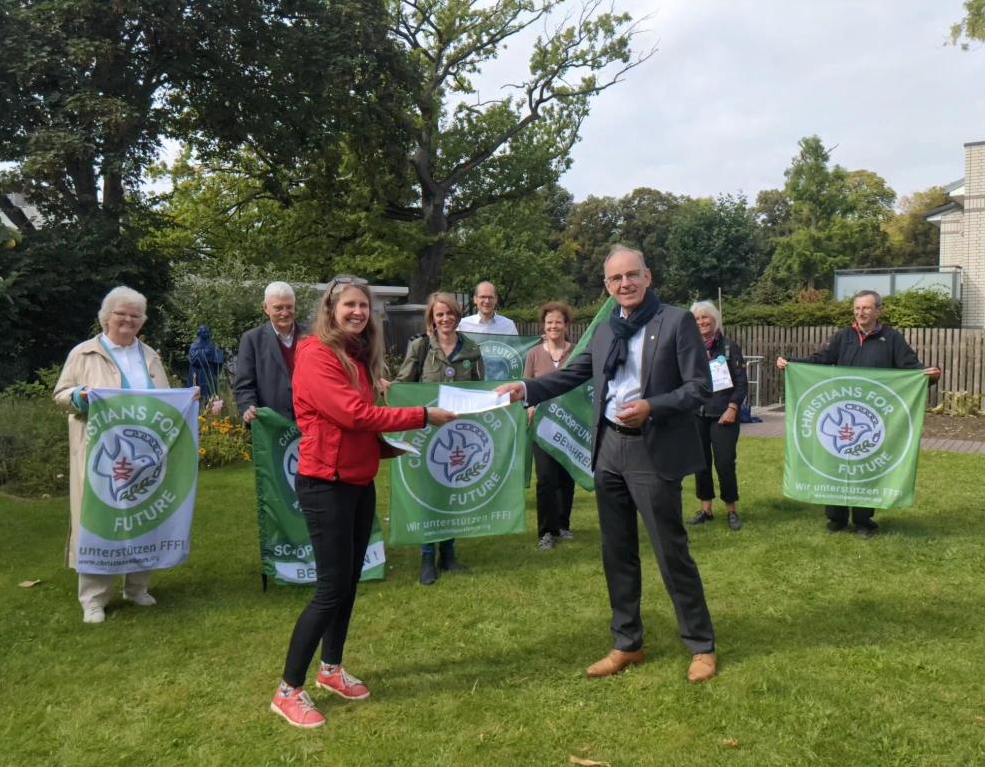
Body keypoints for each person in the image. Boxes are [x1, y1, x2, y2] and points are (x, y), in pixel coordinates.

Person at [497, 244, 719, 684]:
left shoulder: (675, 322)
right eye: (616, 278)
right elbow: (573, 373)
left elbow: (699, 387)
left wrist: (652, 406)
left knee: (670, 551)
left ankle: (701, 644)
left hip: (652, 450)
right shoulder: (604, 331)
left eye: (632, 274)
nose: (625, 283)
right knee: (616, 553)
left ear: (648, 276)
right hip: (610, 449)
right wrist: (527, 387)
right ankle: (627, 642)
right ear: (607, 285)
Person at [271, 276, 456, 729]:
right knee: (331, 588)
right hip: (325, 484)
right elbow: (352, 415)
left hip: (357, 480)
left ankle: (330, 668)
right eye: (350, 305)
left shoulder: (355, 356)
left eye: (364, 306)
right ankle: (288, 690)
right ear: (331, 310)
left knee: (349, 582)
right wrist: (422, 416)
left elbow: (356, 425)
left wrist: (387, 447)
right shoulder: (316, 354)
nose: (358, 312)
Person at [776, 289, 941, 537]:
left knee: (866, 466)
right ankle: (836, 518)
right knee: (836, 464)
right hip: (842, 412)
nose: (861, 312)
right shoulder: (843, 337)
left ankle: (864, 521)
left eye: (866, 308)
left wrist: (928, 376)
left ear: (878, 311)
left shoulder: (892, 339)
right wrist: (792, 363)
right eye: (857, 308)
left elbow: (911, 368)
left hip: (874, 416)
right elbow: (821, 359)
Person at [53, 286, 173, 624]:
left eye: (136, 315)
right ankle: (94, 598)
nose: (128, 320)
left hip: (143, 453)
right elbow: (61, 394)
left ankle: (137, 587)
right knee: (99, 521)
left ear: (142, 321)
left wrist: (186, 401)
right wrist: (80, 395)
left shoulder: (149, 355)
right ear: (106, 317)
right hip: (100, 455)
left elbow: (165, 398)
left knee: (142, 518)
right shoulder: (84, 353)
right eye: (122, 313)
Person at [395, 292, 485, 585]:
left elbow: (481, 388)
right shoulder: (420, 346)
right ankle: (426, 556)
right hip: (426, 433)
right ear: (432, 319)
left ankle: (448, 554)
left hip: (459, 434)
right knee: (428, 494)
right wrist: (389, 388)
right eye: (439, 314)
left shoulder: (471, 349)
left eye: (450, 313)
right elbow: (404, 384)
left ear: (457, 316)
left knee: (451, 492)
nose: (445, 319)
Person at [687, 300, 748, 532]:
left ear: (715, 320)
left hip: (723, 414)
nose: (701, 322)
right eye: (696, 318)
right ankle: (706, 509)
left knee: (724, 463)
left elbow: (741, 384)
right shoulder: (689, 348)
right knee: (700, 463)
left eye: (705, 317)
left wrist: (732, 408)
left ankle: (731, 510)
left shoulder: (730, 348)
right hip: (697, 414)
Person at [524, 301, 577, 549]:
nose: (553, 326)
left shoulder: (577, 353)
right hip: (542, 427)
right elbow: (527, 388)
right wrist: (530, 406)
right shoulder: (534, 354)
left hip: (570, 425)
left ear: (566, 325)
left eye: (558, 322)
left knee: (566, 477)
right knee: (546, 478)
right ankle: (546, 531)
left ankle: (563, 525)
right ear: (543, 326)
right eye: (549, 322)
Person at [235, 281, 304, 423]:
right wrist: (248, 407)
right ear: (266, 308)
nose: (285, 313)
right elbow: (244, 385)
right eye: (278, 308)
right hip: (271, 424)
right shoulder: (252, 340)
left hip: (310, 422)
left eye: (289, 307)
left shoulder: (312, 336)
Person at [187, 324, 224, 402]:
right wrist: (204, 352)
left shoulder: (211, 345)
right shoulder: (195, 345)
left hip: (209, 372)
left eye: (208, 332)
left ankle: (211, 405)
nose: (207, 334)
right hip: (198, 373)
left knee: (211, 392)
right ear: (200, 333)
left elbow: (215, 358)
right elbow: (193, 359)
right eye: (204, 332)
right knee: (199, 393)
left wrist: (219, 356)